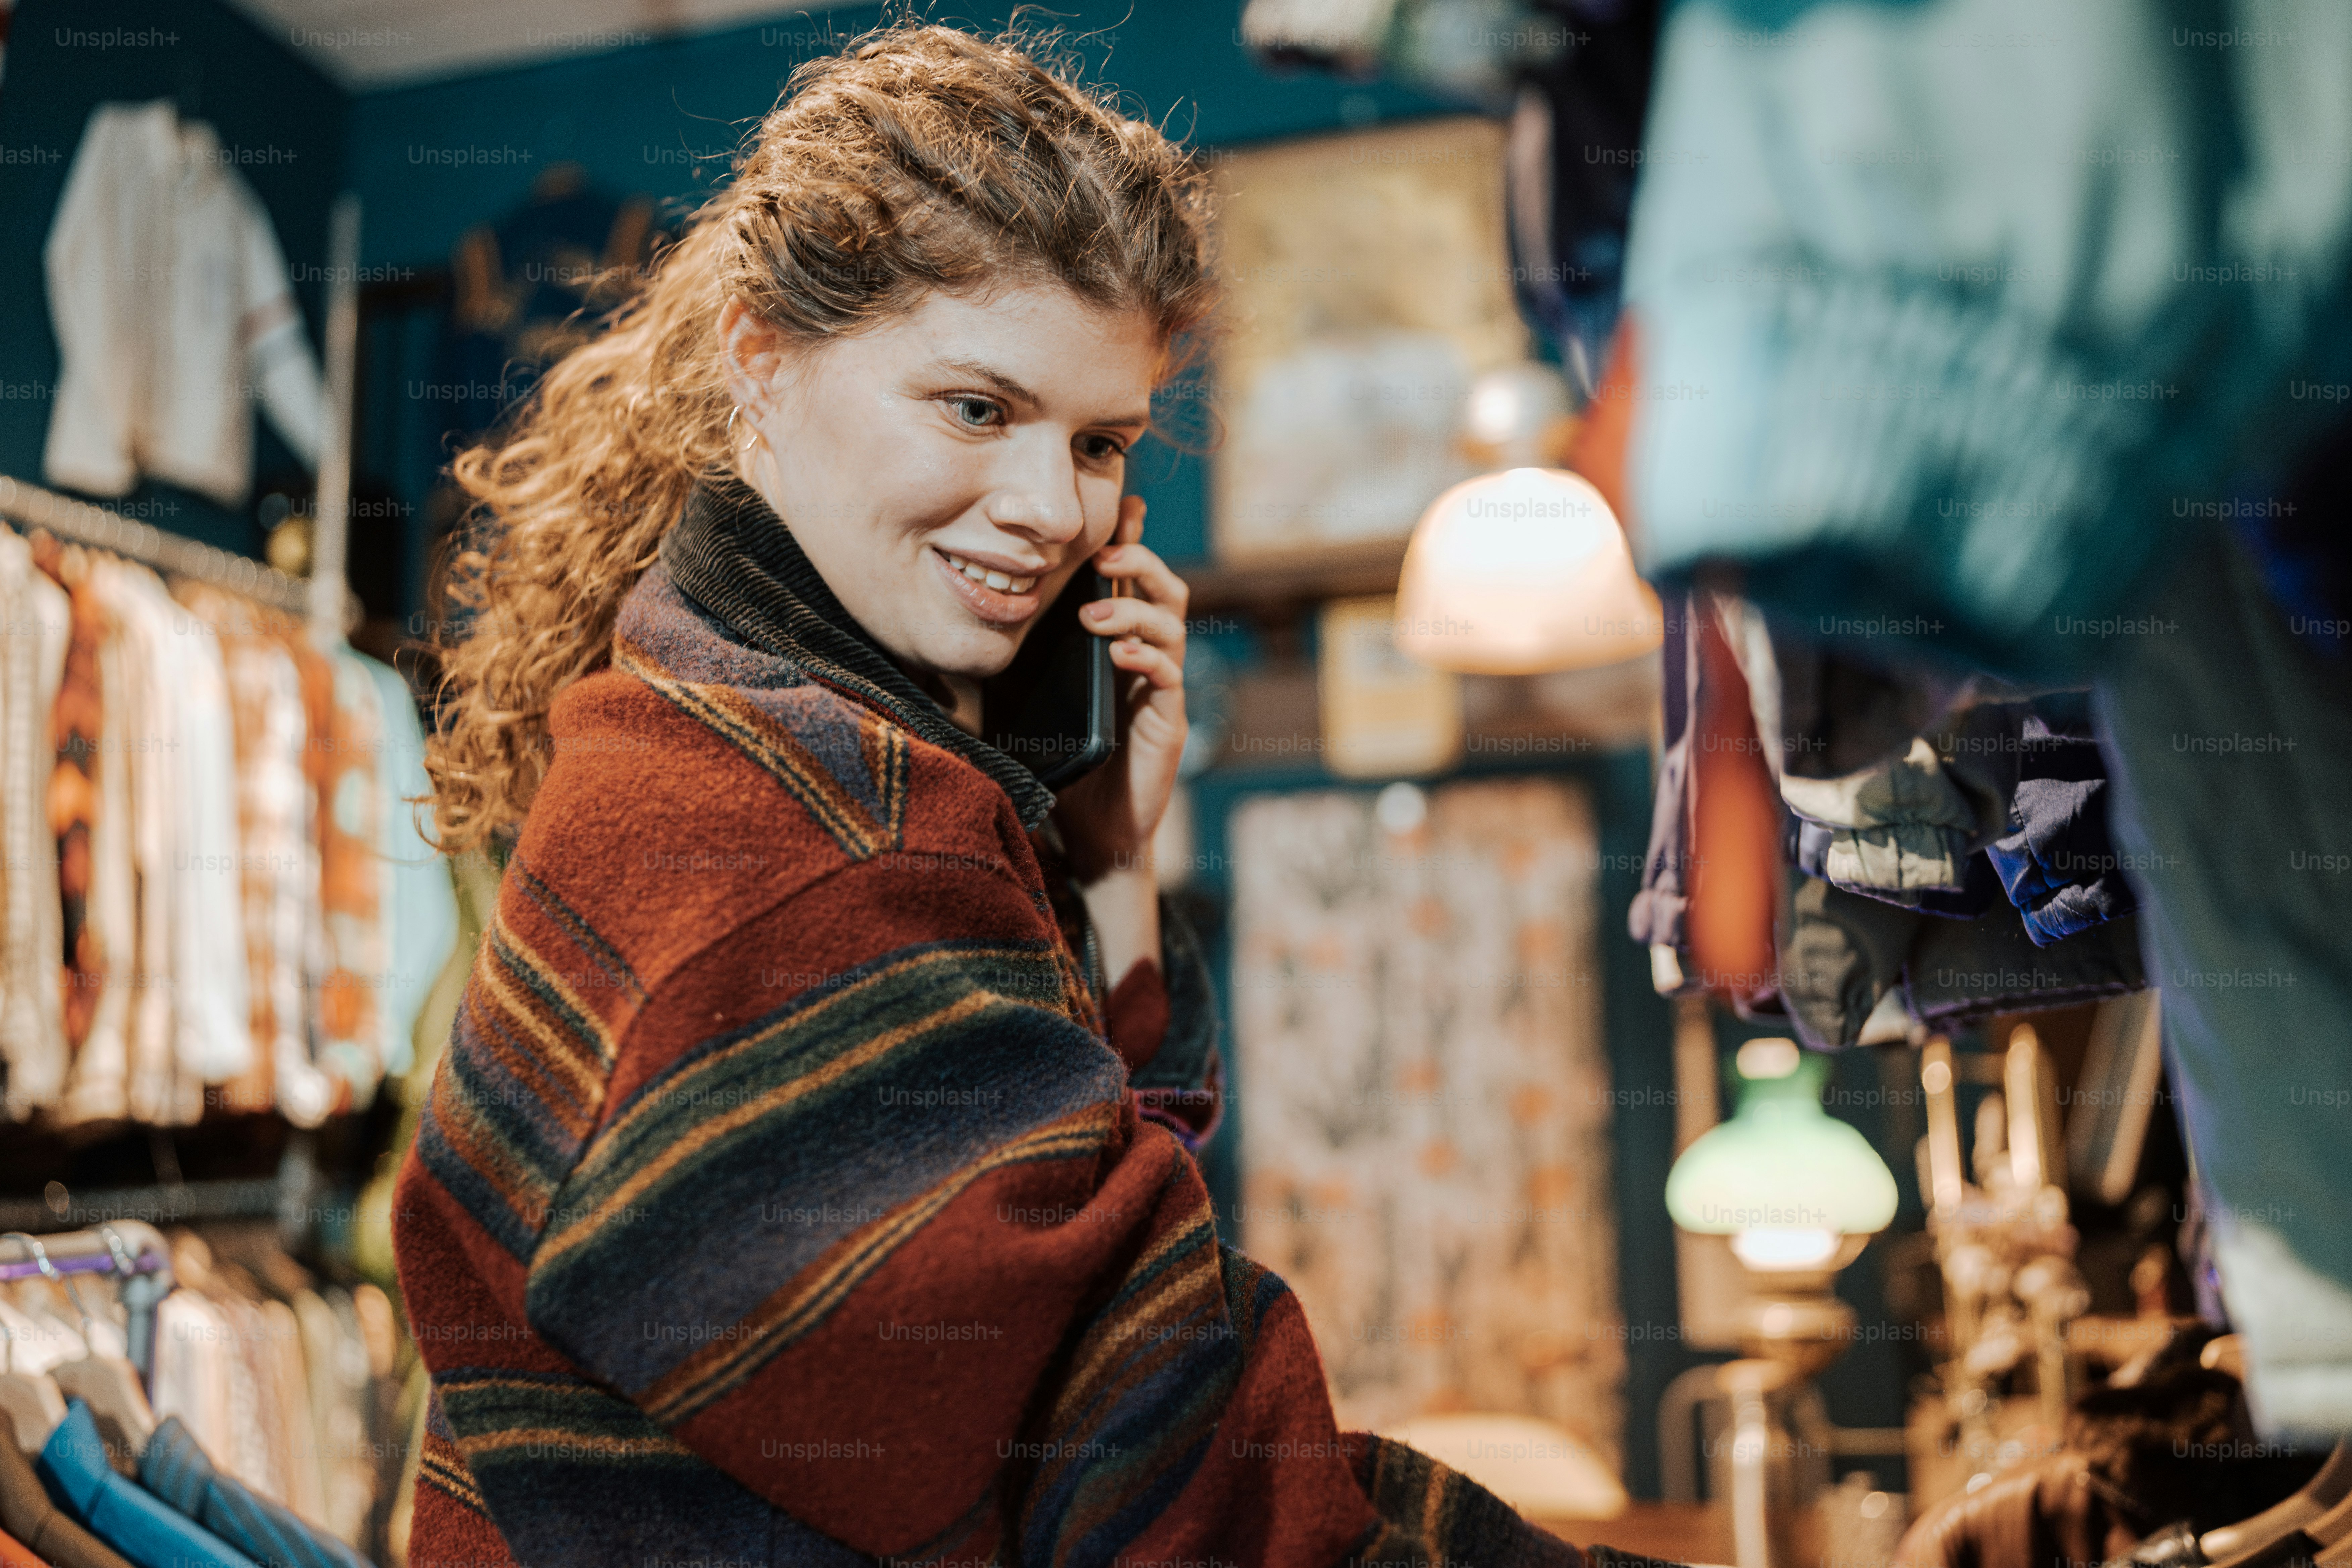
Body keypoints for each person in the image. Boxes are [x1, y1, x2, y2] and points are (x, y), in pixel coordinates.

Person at [392, 24, 1584, 1567]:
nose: (1047, 511)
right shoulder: (791, 838)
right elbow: (1161, 1479)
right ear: (760, 364)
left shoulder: (760, 749)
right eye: (975, 408)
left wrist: (1109, 862)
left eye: (1099, 443)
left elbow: (1056, 1261)